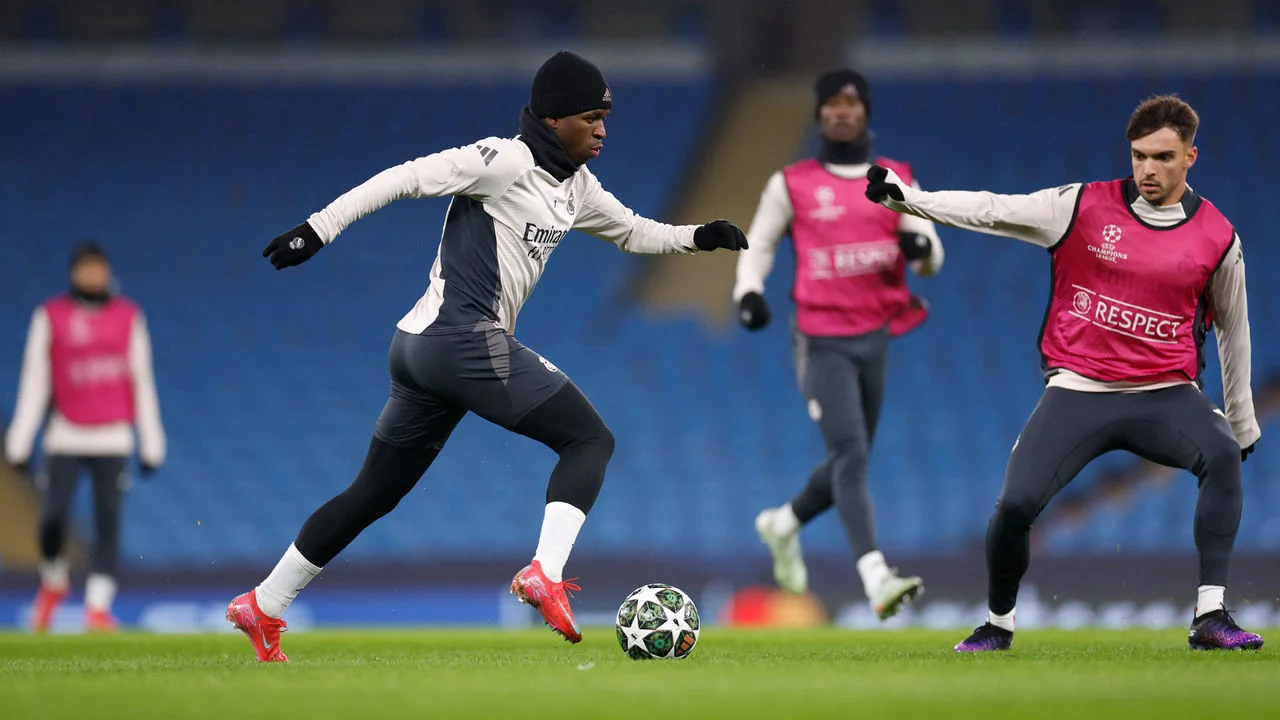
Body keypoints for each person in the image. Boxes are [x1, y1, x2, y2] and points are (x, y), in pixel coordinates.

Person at [225, 50, 748, 662]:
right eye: (591, 116)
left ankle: (262, 605)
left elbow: (632, 230)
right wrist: (317, 228)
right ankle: (543, 573)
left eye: (606, 116)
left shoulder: (575, 186)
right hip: (458, 339)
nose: (603, 128)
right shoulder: (505, 159)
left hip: (422, 350)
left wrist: (698, 238)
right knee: (589, 440)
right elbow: (403, 177)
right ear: (554, 118)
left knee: (373, 493)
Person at [865, 94, 1263, 651]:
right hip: (1079, 390)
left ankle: (1210, 615)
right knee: (1016, 505)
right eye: (1140, 155)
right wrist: (911, 202)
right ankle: (997, 623)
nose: (1149, 168)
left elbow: (1234, 329)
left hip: (1165, 393)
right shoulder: (1080, 207)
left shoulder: (1218, 237)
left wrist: (1242, 421)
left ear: (1191, 157)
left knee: (1221, 454)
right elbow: (993, 209)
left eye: (1164, 157)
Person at [733, 68, 943, 620]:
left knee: (850, 459)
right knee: (851, 454)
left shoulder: (895, 178)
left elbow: (931, 260)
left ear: (866, 112)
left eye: (852, 102)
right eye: (832, 103)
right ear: (820, 113)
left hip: (875, 335)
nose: (842, 111)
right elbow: (759, 242)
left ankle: (785, 524)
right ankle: (876, 577)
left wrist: (920, 244)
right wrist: (748, 290)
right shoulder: (792, 183)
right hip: (820, 337)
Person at [5, 242, 166, 632]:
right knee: (52, 519)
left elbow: (141, 380)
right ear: (74, 273)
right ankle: (54, 582)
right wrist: (20, 438)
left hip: (113, 437)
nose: (94, 277)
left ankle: (97, 607)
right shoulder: (51, 316)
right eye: (87, 269)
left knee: (108, 522)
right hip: (65, 435)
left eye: (100, 269)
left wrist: (151, 441)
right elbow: (35, 379)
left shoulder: (129, 317)